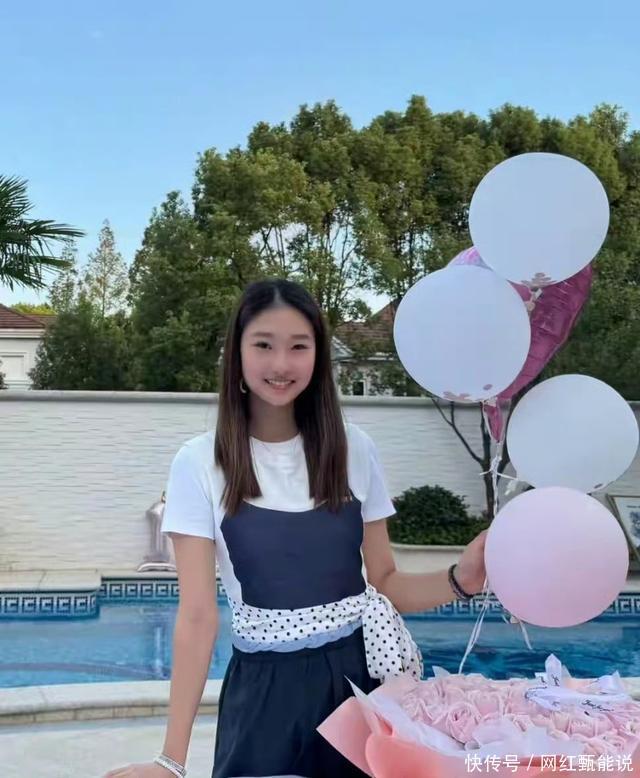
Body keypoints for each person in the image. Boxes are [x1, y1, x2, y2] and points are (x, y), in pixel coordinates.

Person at [103, 278, 487, 778]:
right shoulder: (199, 462)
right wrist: (170, 761)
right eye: (263, 345)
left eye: (298, 347)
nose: (281, 364)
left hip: (360, 688)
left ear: (318, 356)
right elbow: (197, 617)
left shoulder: (355, 449)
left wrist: (462, 579)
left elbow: (386, 583)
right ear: (237, 353)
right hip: (265, 695)